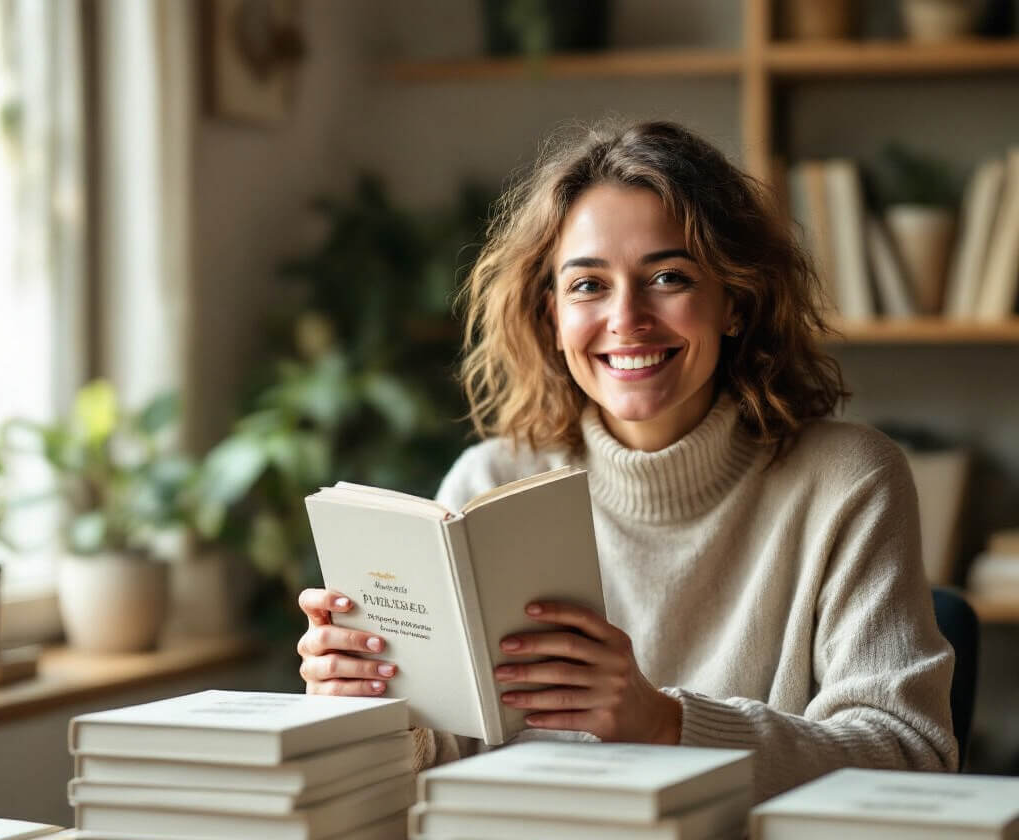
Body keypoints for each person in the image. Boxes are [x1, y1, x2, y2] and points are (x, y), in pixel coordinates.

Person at [298, 120, 957, 801]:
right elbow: (444, 757)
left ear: (733, 300)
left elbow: (911, 758)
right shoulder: (488, 483)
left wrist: (664, 722)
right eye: (588, 286)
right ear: (550, 314)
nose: (627, 319)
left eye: (668, 277)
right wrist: (362, 704)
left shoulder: (848, 480)